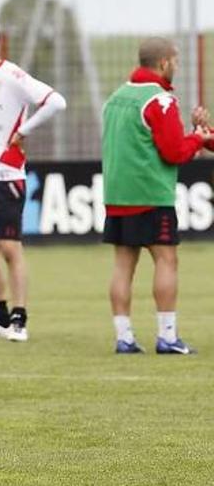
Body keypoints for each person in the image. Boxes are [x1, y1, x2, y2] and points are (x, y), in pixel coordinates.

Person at [0, 15, 66, 342]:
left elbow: (55, 102)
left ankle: (20, 319)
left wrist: (24, 131)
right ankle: (0, 318)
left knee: (9, 247)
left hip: (6, 175)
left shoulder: (13, 76)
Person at [102, 37, 213, 355]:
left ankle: (123, 337)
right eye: (175, 62)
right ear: (164, 63)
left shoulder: (115, 97)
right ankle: (167, 336)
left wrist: (198, 135)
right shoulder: (160, 100)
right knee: (166, 259)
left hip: (116, 194)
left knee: (123, 265)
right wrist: (197, 137)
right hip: (150, 194)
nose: (176, 67)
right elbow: (175, 152)